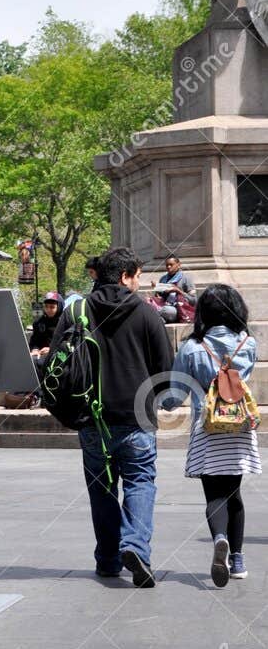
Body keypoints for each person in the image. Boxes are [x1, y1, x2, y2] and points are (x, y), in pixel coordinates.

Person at [48, 245, 173, 586]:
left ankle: (107, 559)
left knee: (101, 488)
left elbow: (57, 363)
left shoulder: (77, 311)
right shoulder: (148, 314)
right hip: (137, 418)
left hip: (92, 416)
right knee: (140, 481)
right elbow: (165, 370)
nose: (139, 283)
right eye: (137, 276)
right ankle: (135, 546)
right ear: (124, 276)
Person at [160, 283, 258, 585]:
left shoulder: (192, 347)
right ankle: (238, 560)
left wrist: (165, 403)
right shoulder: (247, 343)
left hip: (207, 426)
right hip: (239, 427)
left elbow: (176, 393)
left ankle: (219, 539)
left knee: (214, 493)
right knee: (235, 494)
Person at [151, 254, 197, 323]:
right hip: (164, 306)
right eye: (167, 265)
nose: (168, 267)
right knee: (148, 303)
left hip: (177, 309)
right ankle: (160, 319)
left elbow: (194, 301)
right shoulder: (163, 279)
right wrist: (157, 292)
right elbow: (159, 298)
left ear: (178, 265)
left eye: (171, 264)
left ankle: (157, 318)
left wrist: (178, 291)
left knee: (167, 310)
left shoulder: (186, 278)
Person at [29, 291, 63, 367]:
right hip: (41, 356)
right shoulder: (39, 323)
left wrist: (51, 349)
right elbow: (34, 341)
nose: (48, 310)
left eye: (52, 307)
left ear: (59, 307)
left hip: (61, 355)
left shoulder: (64, 323)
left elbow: (67, 343)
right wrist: (35, 349)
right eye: (46, 306)